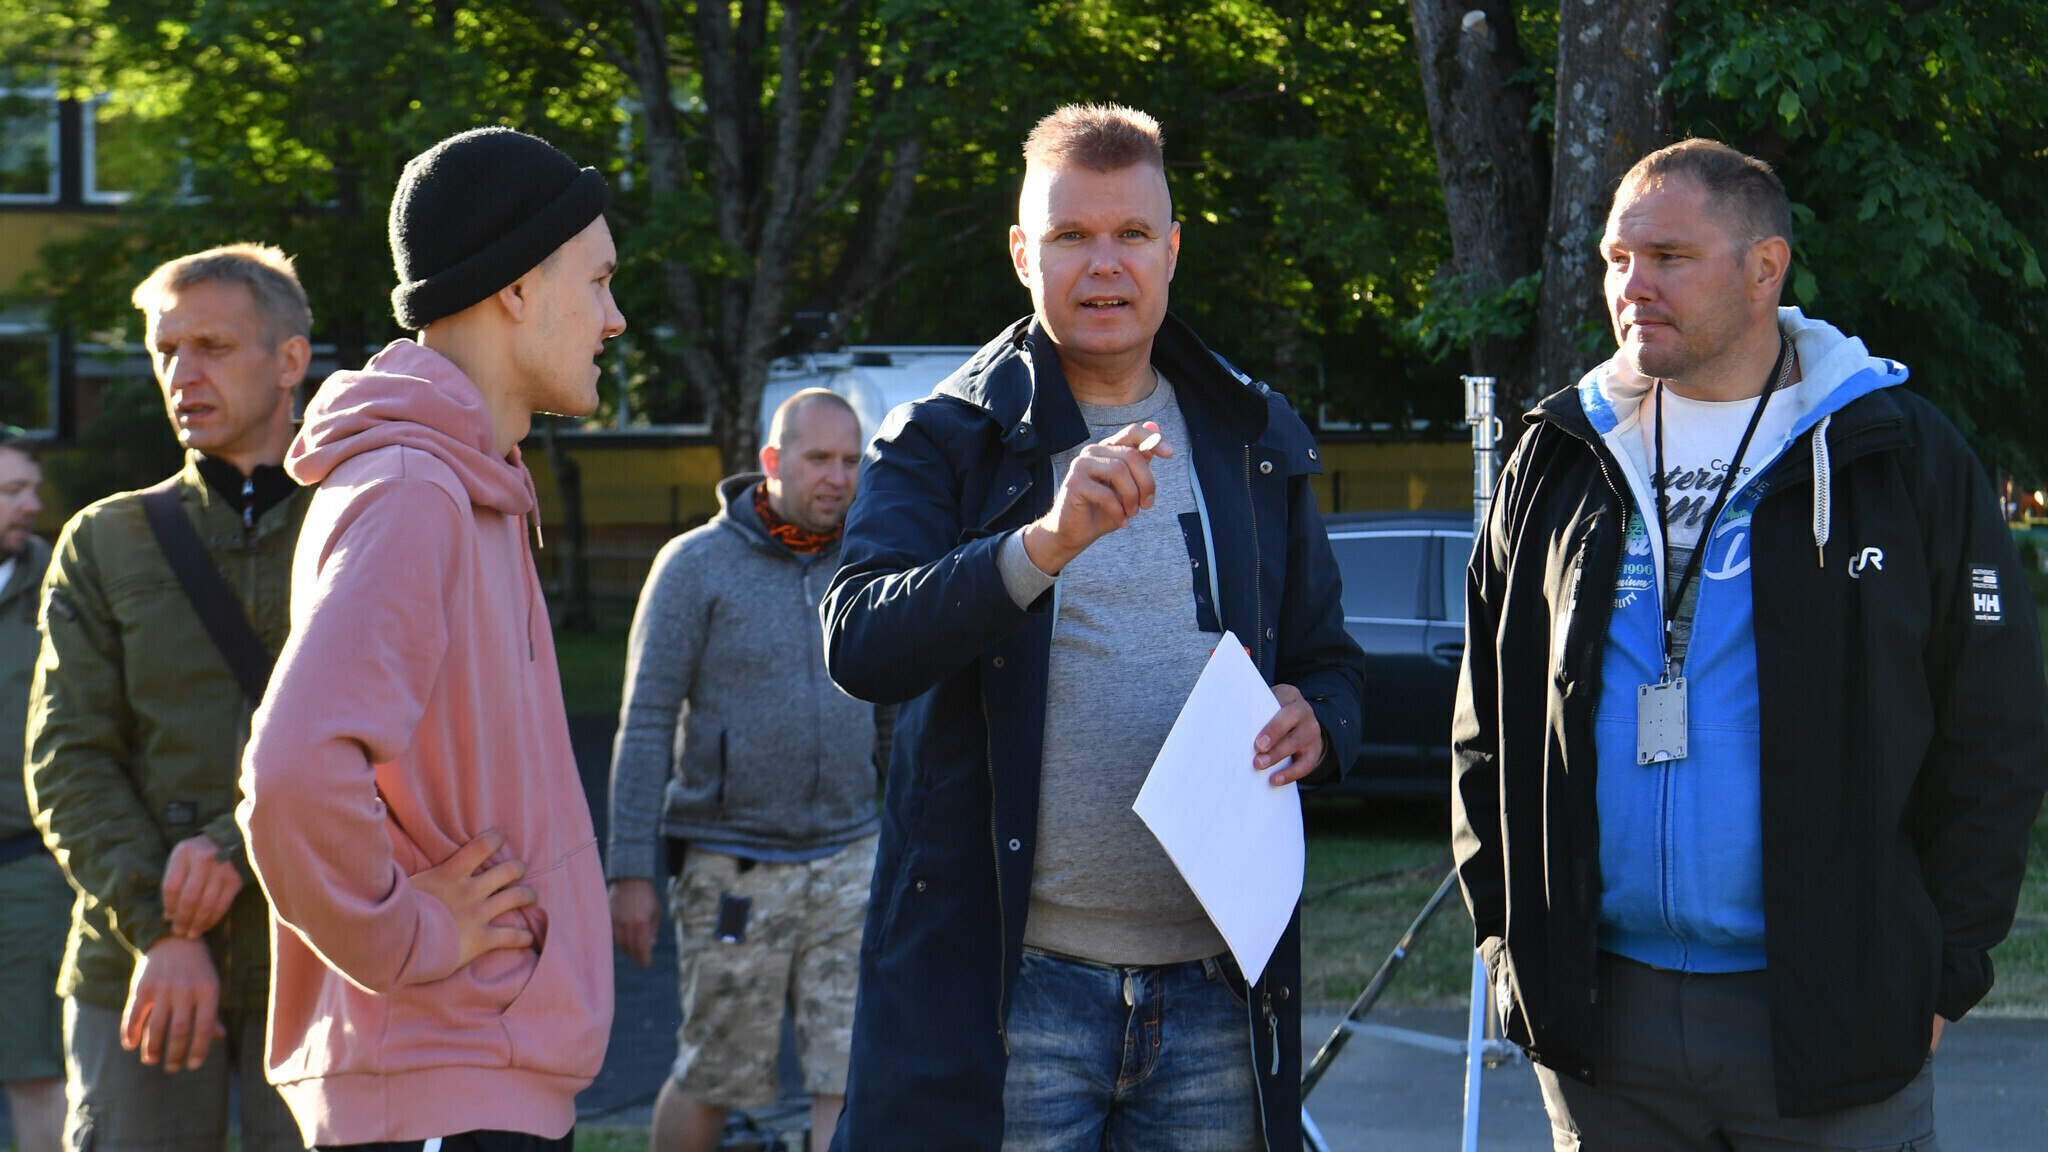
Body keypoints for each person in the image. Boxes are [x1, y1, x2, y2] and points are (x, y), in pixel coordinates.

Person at [1453, 137, 2048, 1151]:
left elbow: (1993, 735)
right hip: (1604, 1022)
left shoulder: (1895, 453)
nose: (1631, 286)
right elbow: (1486, 725)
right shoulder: (1559, 455)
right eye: (1615, 259)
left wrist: (1941, 974)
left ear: (1765, 267)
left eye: (1669, 257)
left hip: (1831, 1017)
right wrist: (1509, 945)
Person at [818, 104, 1366, 1152]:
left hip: (1217, 992)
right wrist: (1040, 546)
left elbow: (1330, 664)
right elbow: (859, 642)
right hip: (1013, 996)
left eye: (1130, 234)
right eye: (1070, 235)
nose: (1104, 264)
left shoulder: (1254, 433)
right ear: (1023, 255)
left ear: (1172, 249)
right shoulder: (941, 437)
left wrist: (1321, 721)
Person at [236, 126, 623, 1151]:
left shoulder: (465, 478)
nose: (614, 317)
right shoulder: (413, 488)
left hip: (477, 1070)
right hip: (438, 1074)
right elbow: (291, 771)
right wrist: (410, 935)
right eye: (598, 282)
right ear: (517, 289)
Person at [25, 244, 315, 1152]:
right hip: (138, 966)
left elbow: (399, 737)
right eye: (165, 351)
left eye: (213, 346)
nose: (182, 373)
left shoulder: (366, 518)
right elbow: (67, 757)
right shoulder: (105, 540)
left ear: (290, 360)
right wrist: (163, 930)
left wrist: (228, 846)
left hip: (321, 955)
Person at [608, 387, 885, 1152]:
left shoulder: (867, 561)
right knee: (714, 1074)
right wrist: (628, 872)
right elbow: (645, 722)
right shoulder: (694, 566)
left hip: (850, 858)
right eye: (819, 458)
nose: (838, 477)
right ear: (772, 461)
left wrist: (906, 832)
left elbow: (893, 708)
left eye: (850, 460)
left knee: (847, 1073)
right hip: (733, 868)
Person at [0, 430, 65, 1152]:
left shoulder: (61, 587)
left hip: (25, 874)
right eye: (12, 491)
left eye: (32, 489)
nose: (31, 505)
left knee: (37, 1074)